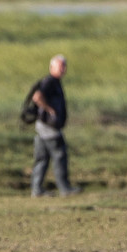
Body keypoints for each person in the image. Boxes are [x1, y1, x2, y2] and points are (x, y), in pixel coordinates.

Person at [29, 54, 79, 197]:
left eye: (64, 66)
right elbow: (37, 96)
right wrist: (49, 109)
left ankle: (37, 189)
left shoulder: (54, 82)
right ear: (52, 67)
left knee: (42, 158)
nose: (63, 69)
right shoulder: (50, 81)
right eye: (60, 66)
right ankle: (64, 188)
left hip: (42, 127)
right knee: (59, 154)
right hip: (48, 127)